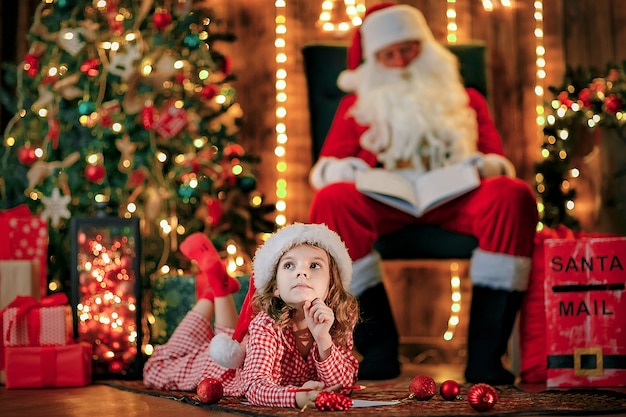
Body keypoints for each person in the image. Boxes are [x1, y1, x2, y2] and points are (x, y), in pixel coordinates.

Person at [308, 3, 538, 384]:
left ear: (425, 48)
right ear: (375, 60)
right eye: (389, 54)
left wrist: (483, 166)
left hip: (457, 200)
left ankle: (485, 357)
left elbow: (497, 159)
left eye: (409, 49)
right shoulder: (356, 105)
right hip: (384, 202)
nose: (401, 61)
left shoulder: (466, 99)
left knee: (511, 195)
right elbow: (328, 167)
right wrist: (352, 170)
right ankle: (378, 348)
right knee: (331, 199)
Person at [143, 223, 360, 408]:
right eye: (289, 265)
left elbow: (343, 384)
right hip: (218, 366)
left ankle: (219, 288)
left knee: (229, 335)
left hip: (240, 346)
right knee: (156, 367)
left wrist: (324, 341)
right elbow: (255, 387)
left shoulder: (336, 320)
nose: (301, 272)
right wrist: (298, 396)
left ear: (331, 283)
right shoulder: (266, 324)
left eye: (314, 265)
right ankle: (215, 291)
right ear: (275, 287)